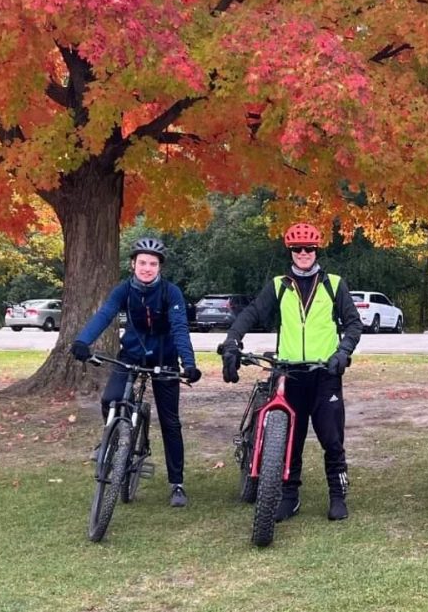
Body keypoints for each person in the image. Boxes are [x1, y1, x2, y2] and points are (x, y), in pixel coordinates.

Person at [218, 223, 363, 522]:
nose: (303, 254)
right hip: (290, 373)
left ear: (317, 250)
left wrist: (342, 352)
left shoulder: (334, 284)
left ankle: (337, 494)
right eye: (297, 249)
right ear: (291, 252)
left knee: (331, 437)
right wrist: (232, 339)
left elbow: (353, 324)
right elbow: (253, 312)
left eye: (308, 248)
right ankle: (289, 496)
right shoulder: (279, 285)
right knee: (290, 439)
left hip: (325, 372)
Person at [70, 237, 202, 508]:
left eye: (152, 264)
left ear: (159, 268)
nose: (147, 268)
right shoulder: (123, 291)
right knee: (110, 399)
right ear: (133, 265)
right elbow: (105, 314)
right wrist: (83, 341)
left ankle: (177, 483)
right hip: (131, 355)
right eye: (142, 263)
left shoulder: (170, 292)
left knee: (170, 423)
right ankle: (112, 440)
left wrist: (188, 363)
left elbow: (179, 327)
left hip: (165, 359)